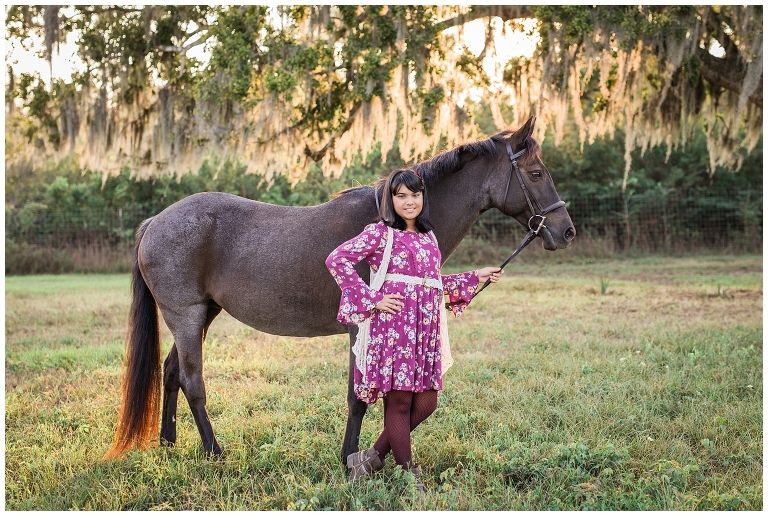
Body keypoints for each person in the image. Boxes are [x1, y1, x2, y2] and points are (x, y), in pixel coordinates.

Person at [325, 168, 503, 491]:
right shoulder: (381, 233)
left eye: (415, 194)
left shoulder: (429, 237)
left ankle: (368, 459)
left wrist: (476, 276)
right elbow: (337, 259)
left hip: (424, 330)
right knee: (400, 404)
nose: (409, 201)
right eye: (401, 196)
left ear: (423, 197)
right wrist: (372, 298)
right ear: (390, 200)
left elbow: (432, 284)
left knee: (427, 402)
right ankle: (410, 476)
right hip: (394, 330)